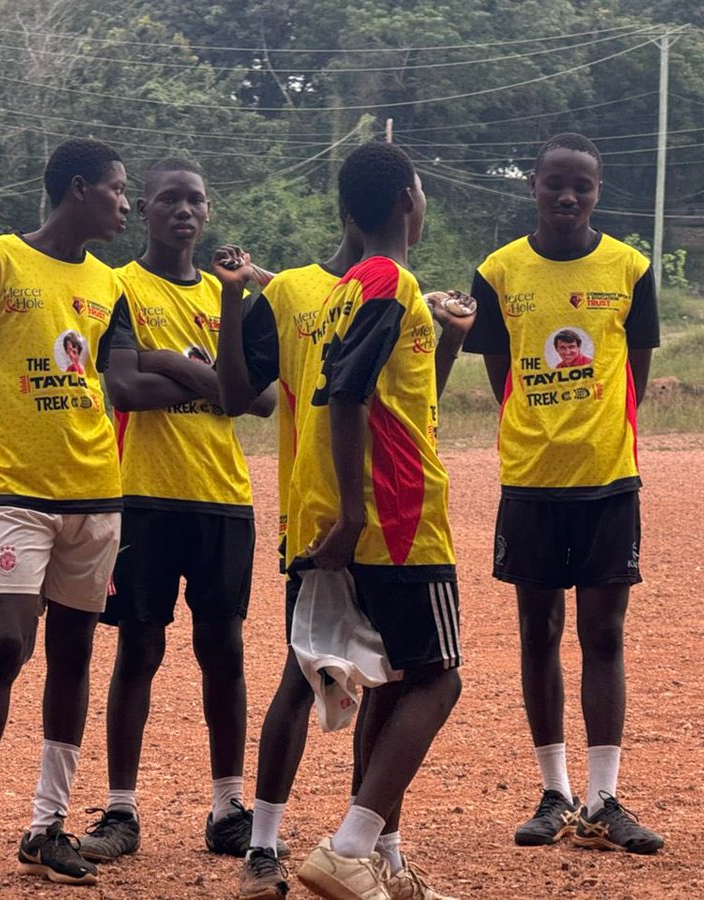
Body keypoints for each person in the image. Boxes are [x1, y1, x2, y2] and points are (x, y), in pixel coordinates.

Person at [269, 141, 469, 900]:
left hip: (369, 511)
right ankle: (350, 846)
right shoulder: (389, 281)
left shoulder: (353, 284)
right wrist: (354, 513)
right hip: (399, 517)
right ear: (411, 202)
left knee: (388, 682)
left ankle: (383, 862)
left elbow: (379, 396)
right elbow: (346, 395)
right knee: (437, 681)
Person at [0, 138, 129, 891]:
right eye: (115, 189)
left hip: (97, 495)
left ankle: (47, 827)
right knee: (6, 645)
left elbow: (120, 381)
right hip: (17, 492)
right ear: (78, 189)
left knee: (74, 657)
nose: (124, 201)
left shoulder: (109, 285)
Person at [462, 132, 662, 854]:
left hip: (609, 479)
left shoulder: (630, 270)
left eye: (582, 185)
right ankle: (555, 792)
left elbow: (632, 371)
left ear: (598, 191)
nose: (568, 196)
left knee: (603, 634)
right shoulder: (499, 271)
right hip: (531, 481)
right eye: (555, 184)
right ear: (533, 187)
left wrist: (597, 429)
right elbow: (498, 372)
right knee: (538, 632)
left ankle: (605, 798)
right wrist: (537, 428)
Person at [75, 157, 274, 865]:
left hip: (223, 497)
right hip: (142, 495)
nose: (181, 211)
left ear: (207, 209)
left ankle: (228, 808)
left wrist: (177, 364)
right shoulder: (119, 287)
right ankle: (121, 811)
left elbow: (262, 397)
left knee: (223, 651)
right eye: (167, 200)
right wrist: (211, 378)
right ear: (146, 210)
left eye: (194, 200)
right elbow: (125, 388)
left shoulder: (234, 295)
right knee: (139, 649)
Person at [213, 211, 376, 899]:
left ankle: (372, 849)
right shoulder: (289, 294)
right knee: (299, 676)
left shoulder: (397, 291)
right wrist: (230, 300)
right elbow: (233, 392)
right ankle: (262, 848)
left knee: (388, 685)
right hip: (317, 514)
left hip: (393, 521)